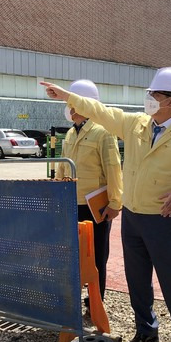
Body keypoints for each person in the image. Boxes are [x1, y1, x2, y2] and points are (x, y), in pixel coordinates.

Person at [42, 67, 171, 342]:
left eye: (155, 94)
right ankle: (146, 329)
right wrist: (67, 96)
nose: (150, 98)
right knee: (137, 277)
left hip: (162, 217)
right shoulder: (136, 125)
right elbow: (102, 111)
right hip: (133, 217)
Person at [56, 79, 123, 311]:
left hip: (95, 207)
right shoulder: (70, 134)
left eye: (73, 102)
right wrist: (58, 195)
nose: (70, 108)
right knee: (72, 255)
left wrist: (115, 203)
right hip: (71, 204)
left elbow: (113, 169)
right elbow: (62, 169)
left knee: (96, 257)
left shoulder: (103, 132)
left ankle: (96, 303)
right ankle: (73, 297)